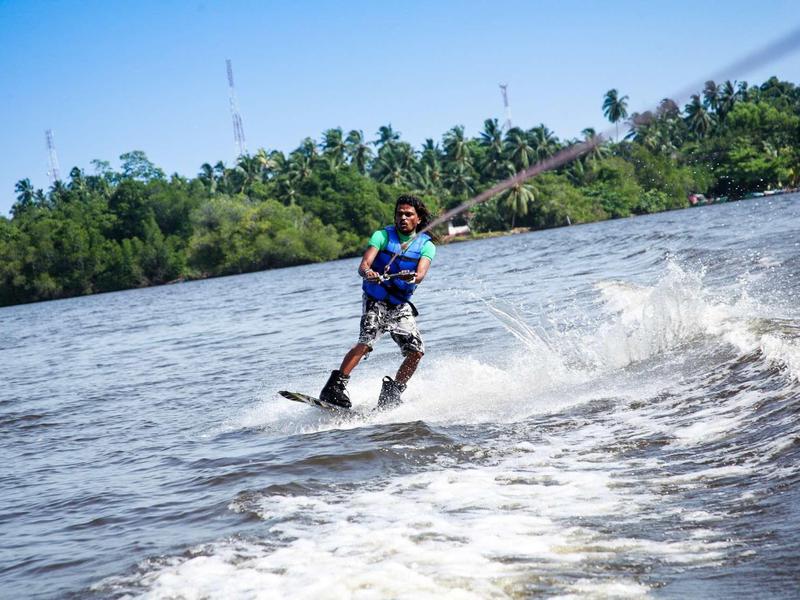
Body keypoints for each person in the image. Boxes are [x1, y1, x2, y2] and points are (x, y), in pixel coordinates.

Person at [320, 195, 437, 409]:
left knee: (416, 351)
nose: (403, 218)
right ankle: (334, 388)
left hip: (399, 305)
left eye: (408, 214)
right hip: (376, 299)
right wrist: (368, 273)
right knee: (366, 340)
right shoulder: (382, 236)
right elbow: (364, 265)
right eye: (399, 214)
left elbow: (420, 275)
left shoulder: (426, 246)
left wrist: (411, 276)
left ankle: (392, 392)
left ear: (418, 219)